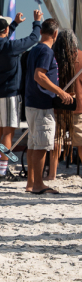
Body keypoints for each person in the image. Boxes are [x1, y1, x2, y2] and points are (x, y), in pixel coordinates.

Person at [0, 8, 42, 181]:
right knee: (8, 134)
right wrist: (37, 21)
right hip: (10, 94)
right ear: (6, 30)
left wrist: (15, 24)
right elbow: (34, 38)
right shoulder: (11, 47)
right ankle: (3, 171)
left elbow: (2, 39)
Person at [24, 18, 74, 196]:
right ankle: (38, 184)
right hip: (41, 105)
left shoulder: (35, 49)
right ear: (55, 34)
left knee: (33, 144)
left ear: (41, 32)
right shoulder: (46, 51)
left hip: (32, 103)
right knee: (41, 146)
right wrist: (61, 92)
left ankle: (31, 183)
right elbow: (39, 76)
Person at [47, 29, 82, 180]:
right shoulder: (80, 56)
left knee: (56, 141)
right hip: (78, 106)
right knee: (81, 142)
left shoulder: (52, 58)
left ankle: (52, 174)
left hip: (58, 105)